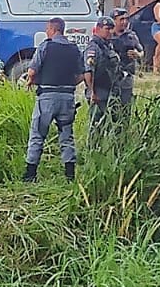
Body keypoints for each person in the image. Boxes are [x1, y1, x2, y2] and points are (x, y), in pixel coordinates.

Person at [22, 16, 83, 183]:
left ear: (53, 29)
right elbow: (82, 74)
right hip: (67, 97)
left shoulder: (46, 46)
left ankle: (30, 175)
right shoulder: (74, 49)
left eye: (47, 29)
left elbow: (32, 70)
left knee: (37, 135)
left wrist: (30, 81)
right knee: (66, 136)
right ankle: (70, 176)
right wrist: (69, 85)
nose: (46, 32)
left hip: (47, 97)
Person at [85, 15, 124, 132]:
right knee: (97, 126)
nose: (110, 32)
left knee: (112, 125)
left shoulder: (108, 46)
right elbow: (88, 71)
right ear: (98, 29)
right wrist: (92, 92)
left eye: (112, 29)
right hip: (99, 91)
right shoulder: (93, 48)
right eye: (107, 29)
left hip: (111, 91)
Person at [110, 8, 144, 117]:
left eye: (126, 19)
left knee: (125, 106)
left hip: (127, 75)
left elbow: (141, 51)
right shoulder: (108, 35)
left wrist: (137, 54)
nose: (124, 22)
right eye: (121, 19)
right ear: (114, 20)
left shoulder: (131, 35)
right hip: (111, 76)